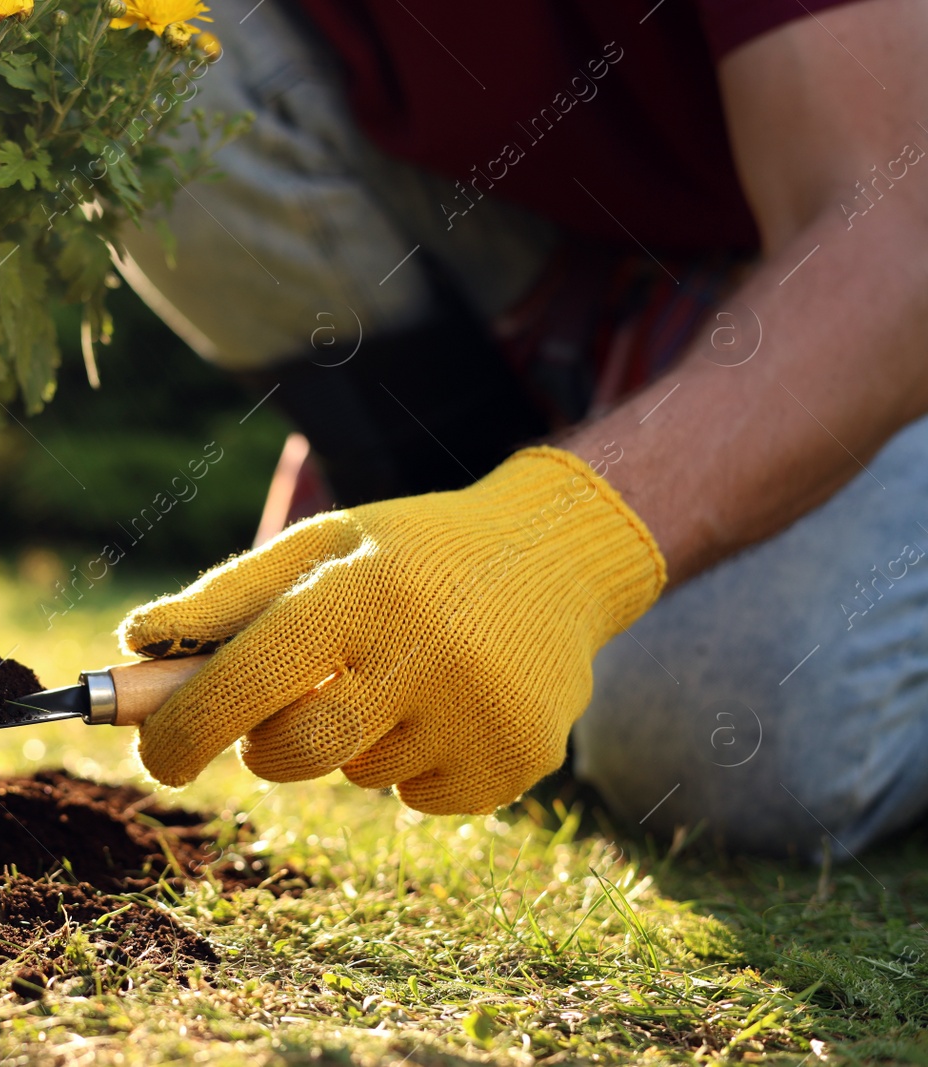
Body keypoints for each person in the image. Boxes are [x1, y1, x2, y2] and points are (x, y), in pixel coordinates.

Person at [114, 0, 928, 861]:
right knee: (133, 49)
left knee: (728, 740)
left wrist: (553, 548)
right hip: (551, 245)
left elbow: (898, 236)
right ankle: (448, 583)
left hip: (843, 274)